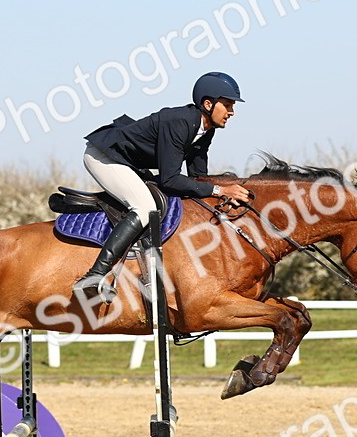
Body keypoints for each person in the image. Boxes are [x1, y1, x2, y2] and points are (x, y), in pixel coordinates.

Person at [73, 71, 253, 301]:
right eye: (227, 105)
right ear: (208, 104)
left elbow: (198, 178)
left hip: (128, 162)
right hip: (104, 156)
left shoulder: (206, 131)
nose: (232, 112)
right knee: (145, 206)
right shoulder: (180, 122)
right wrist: (220, 190)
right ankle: (94, 276)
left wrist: (231, 190)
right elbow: (169, 179)